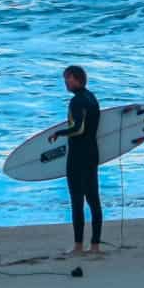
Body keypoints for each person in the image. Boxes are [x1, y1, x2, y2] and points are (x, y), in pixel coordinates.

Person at [58, 64, 103, 255]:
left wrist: (59, 133)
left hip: (77, 156)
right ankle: (95, 245)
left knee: (77, 200)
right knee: (93, 199)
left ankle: (78, 246)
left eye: (67, 78)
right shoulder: (91, 97)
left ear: (77, 78)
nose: (65, 83)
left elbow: (78, 128)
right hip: (92, 153)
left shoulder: (76, 101)